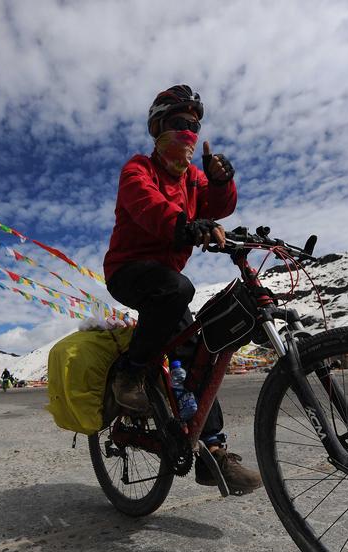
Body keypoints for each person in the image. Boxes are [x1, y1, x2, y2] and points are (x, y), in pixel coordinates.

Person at [102, 84, 261, 494]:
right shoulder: (138, 169)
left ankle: (212, 452)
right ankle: (129, 374)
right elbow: (149, 207)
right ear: (157, 129)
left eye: (193, 125)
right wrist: (185, 226)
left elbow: (218, 206)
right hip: (129, 271)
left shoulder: (193, 178)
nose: (187, 132)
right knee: (177, 289)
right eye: (178, 124)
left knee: (199, 352)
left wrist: (222, 180)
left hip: (170, 283)